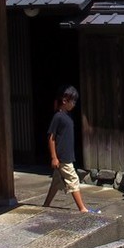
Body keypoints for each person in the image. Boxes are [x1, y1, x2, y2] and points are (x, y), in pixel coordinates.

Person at [42, 86, 99, 214]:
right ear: (64, 100)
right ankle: (82, 208)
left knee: (57, 181)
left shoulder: (68, 116)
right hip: (62, 156)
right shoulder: (58, 117)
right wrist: (54, 157)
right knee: (73, 180)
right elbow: (51, 137)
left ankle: (46, 204)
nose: (74, 104)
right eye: (72, 101)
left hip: (67, 154)